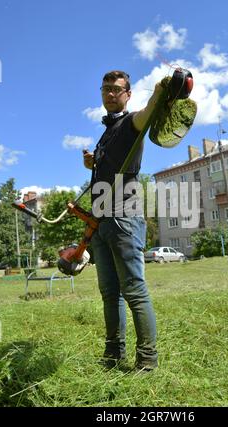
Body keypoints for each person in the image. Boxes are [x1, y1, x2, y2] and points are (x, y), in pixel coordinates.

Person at [83, 70, 162, 371]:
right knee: (109, 293)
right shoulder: (108, 131)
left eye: (117, 89)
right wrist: (93, 162)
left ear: (128, 94)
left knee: (134, 290)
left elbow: (148, 114)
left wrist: (159, 92)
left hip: (124, 218)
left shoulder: (131, 122)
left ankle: (147, 361)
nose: (110, 93)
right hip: (101, 221)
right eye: (105, 89)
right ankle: (113, 355)